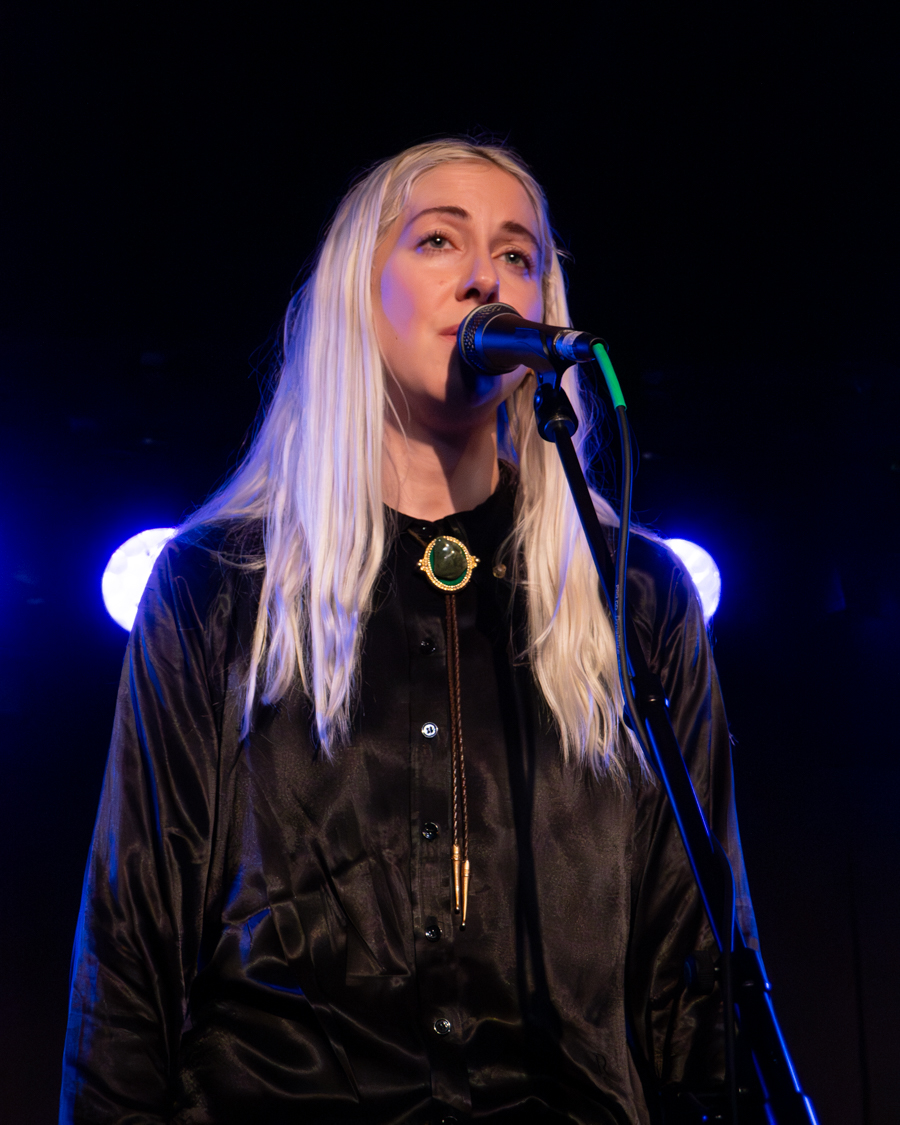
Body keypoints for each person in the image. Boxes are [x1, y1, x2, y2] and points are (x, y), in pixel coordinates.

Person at [61, 139, 756, 1124]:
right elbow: (131, 956)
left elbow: (699, 973)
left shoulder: (633, 596)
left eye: (517, 255)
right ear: (360, 291)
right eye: (439, 240)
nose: (485, 278)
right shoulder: (218, 587)